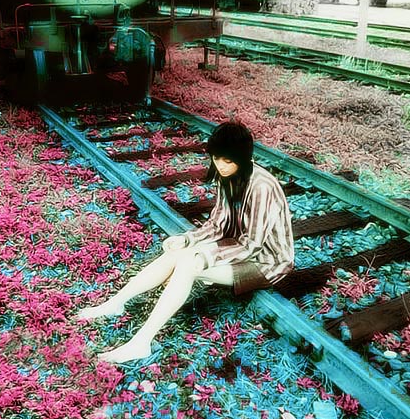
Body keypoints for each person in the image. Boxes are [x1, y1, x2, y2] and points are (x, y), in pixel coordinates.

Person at [77, 122, 294, 363]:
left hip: (266, 262)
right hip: (238, 247)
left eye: (228, 160)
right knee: (177, 254)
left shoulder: (261, 186)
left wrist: (205, 257)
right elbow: (218, 224)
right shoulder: (228, 176)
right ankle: (115, 303)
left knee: (189, 265)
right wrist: (187, 240)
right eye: (217, 158)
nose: (221, 165)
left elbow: (252, 244)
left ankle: (141, 342)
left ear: (243, 158)